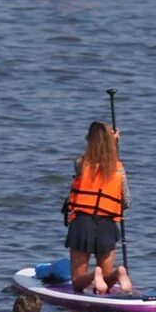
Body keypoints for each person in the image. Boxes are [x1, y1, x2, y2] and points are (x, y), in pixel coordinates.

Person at [63, 122, 132, 295]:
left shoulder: (80, 163)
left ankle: (95, 274)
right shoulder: (119, 169)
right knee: (106, 284)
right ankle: (119, 273)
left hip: (82, 224)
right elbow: (126, 202)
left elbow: (88, 160)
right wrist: (113, 144)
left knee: (78, 283)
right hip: (107, 225)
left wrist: (109, 142)